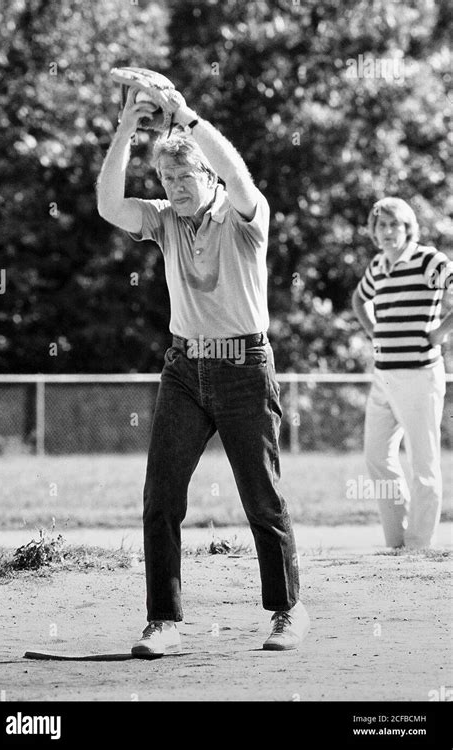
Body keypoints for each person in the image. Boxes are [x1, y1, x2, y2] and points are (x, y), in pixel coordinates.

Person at [97, 83, 310, 656]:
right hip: (184, 370)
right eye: (166, 181)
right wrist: (126, 128)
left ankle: (287, 611)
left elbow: (238, 179)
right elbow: (107, 206)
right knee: (161, 496)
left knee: (261, 497)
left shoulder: (245, 216)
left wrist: (186, 118)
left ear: (208, 176)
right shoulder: (166, 220)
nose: (175, 189)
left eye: (185, 178)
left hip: (244, 368)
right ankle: (163, 622)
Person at [352, 197, 453, 549]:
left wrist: (440, 332)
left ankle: (418, 546)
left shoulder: (430, 260)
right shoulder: (378, 264)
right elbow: (358, 299)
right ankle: (398, 542)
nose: (387, 231)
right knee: (377, 457)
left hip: (419, 375)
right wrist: (374, 331)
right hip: (384, 376)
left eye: (394, 224)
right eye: (381, 225)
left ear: (408, 227)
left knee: (423, 464)